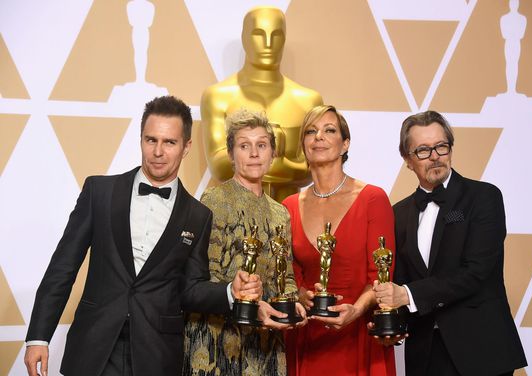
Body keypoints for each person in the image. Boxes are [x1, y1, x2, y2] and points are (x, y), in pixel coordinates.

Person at [23, 96, 261, 376]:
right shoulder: (99, 192)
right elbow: (63, 267)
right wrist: (38, 337)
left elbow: (190, 288)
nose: (158, 151)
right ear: (141, 140)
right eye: (151, 140)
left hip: (155, 354)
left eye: (169, 142)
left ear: (186, 147)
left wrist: (229, 293)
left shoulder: (198, 215)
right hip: (94, 347)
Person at [373, 110, 527, 375]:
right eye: (422, 150)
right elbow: (398, 277)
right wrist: (389, 322)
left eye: (441, 147)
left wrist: (407, 295)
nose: (434, 156)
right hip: (425, 353)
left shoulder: (484, 197)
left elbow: (476, 272)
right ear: (407, 160)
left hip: (482, 351)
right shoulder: (398, 213)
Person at [183, 109, 306, 376]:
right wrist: (248, 302)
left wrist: (292, 302)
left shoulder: (280, 212)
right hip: (219, 339)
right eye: (244, 146)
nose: (253, 154)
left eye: (261, 145)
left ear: (272, 154)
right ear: (230, 154)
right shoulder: (214, 200)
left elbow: (283, 275)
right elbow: (206, 275)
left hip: (265, 342)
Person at [282, 105, 396, 376]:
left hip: (359, 337)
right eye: (311, 131)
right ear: (304, 146)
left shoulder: (373, 199)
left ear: (345, 144)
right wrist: (299, 294)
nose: (319, 136)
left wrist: (356, 311)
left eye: (329, 130)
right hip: (307, 338)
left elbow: (381, 275)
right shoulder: (288, 206)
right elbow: (290, 273)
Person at [201, 6, 323, 202]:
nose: (268, 44)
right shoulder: (217, 96)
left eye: (276, 35)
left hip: (290, 220)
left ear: (284, 39)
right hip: (234, 220)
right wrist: (283, 164)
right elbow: (219, 166)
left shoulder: (308, 100)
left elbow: (313, 170)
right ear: (244, 38)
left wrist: (245, 158)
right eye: (259, 34)